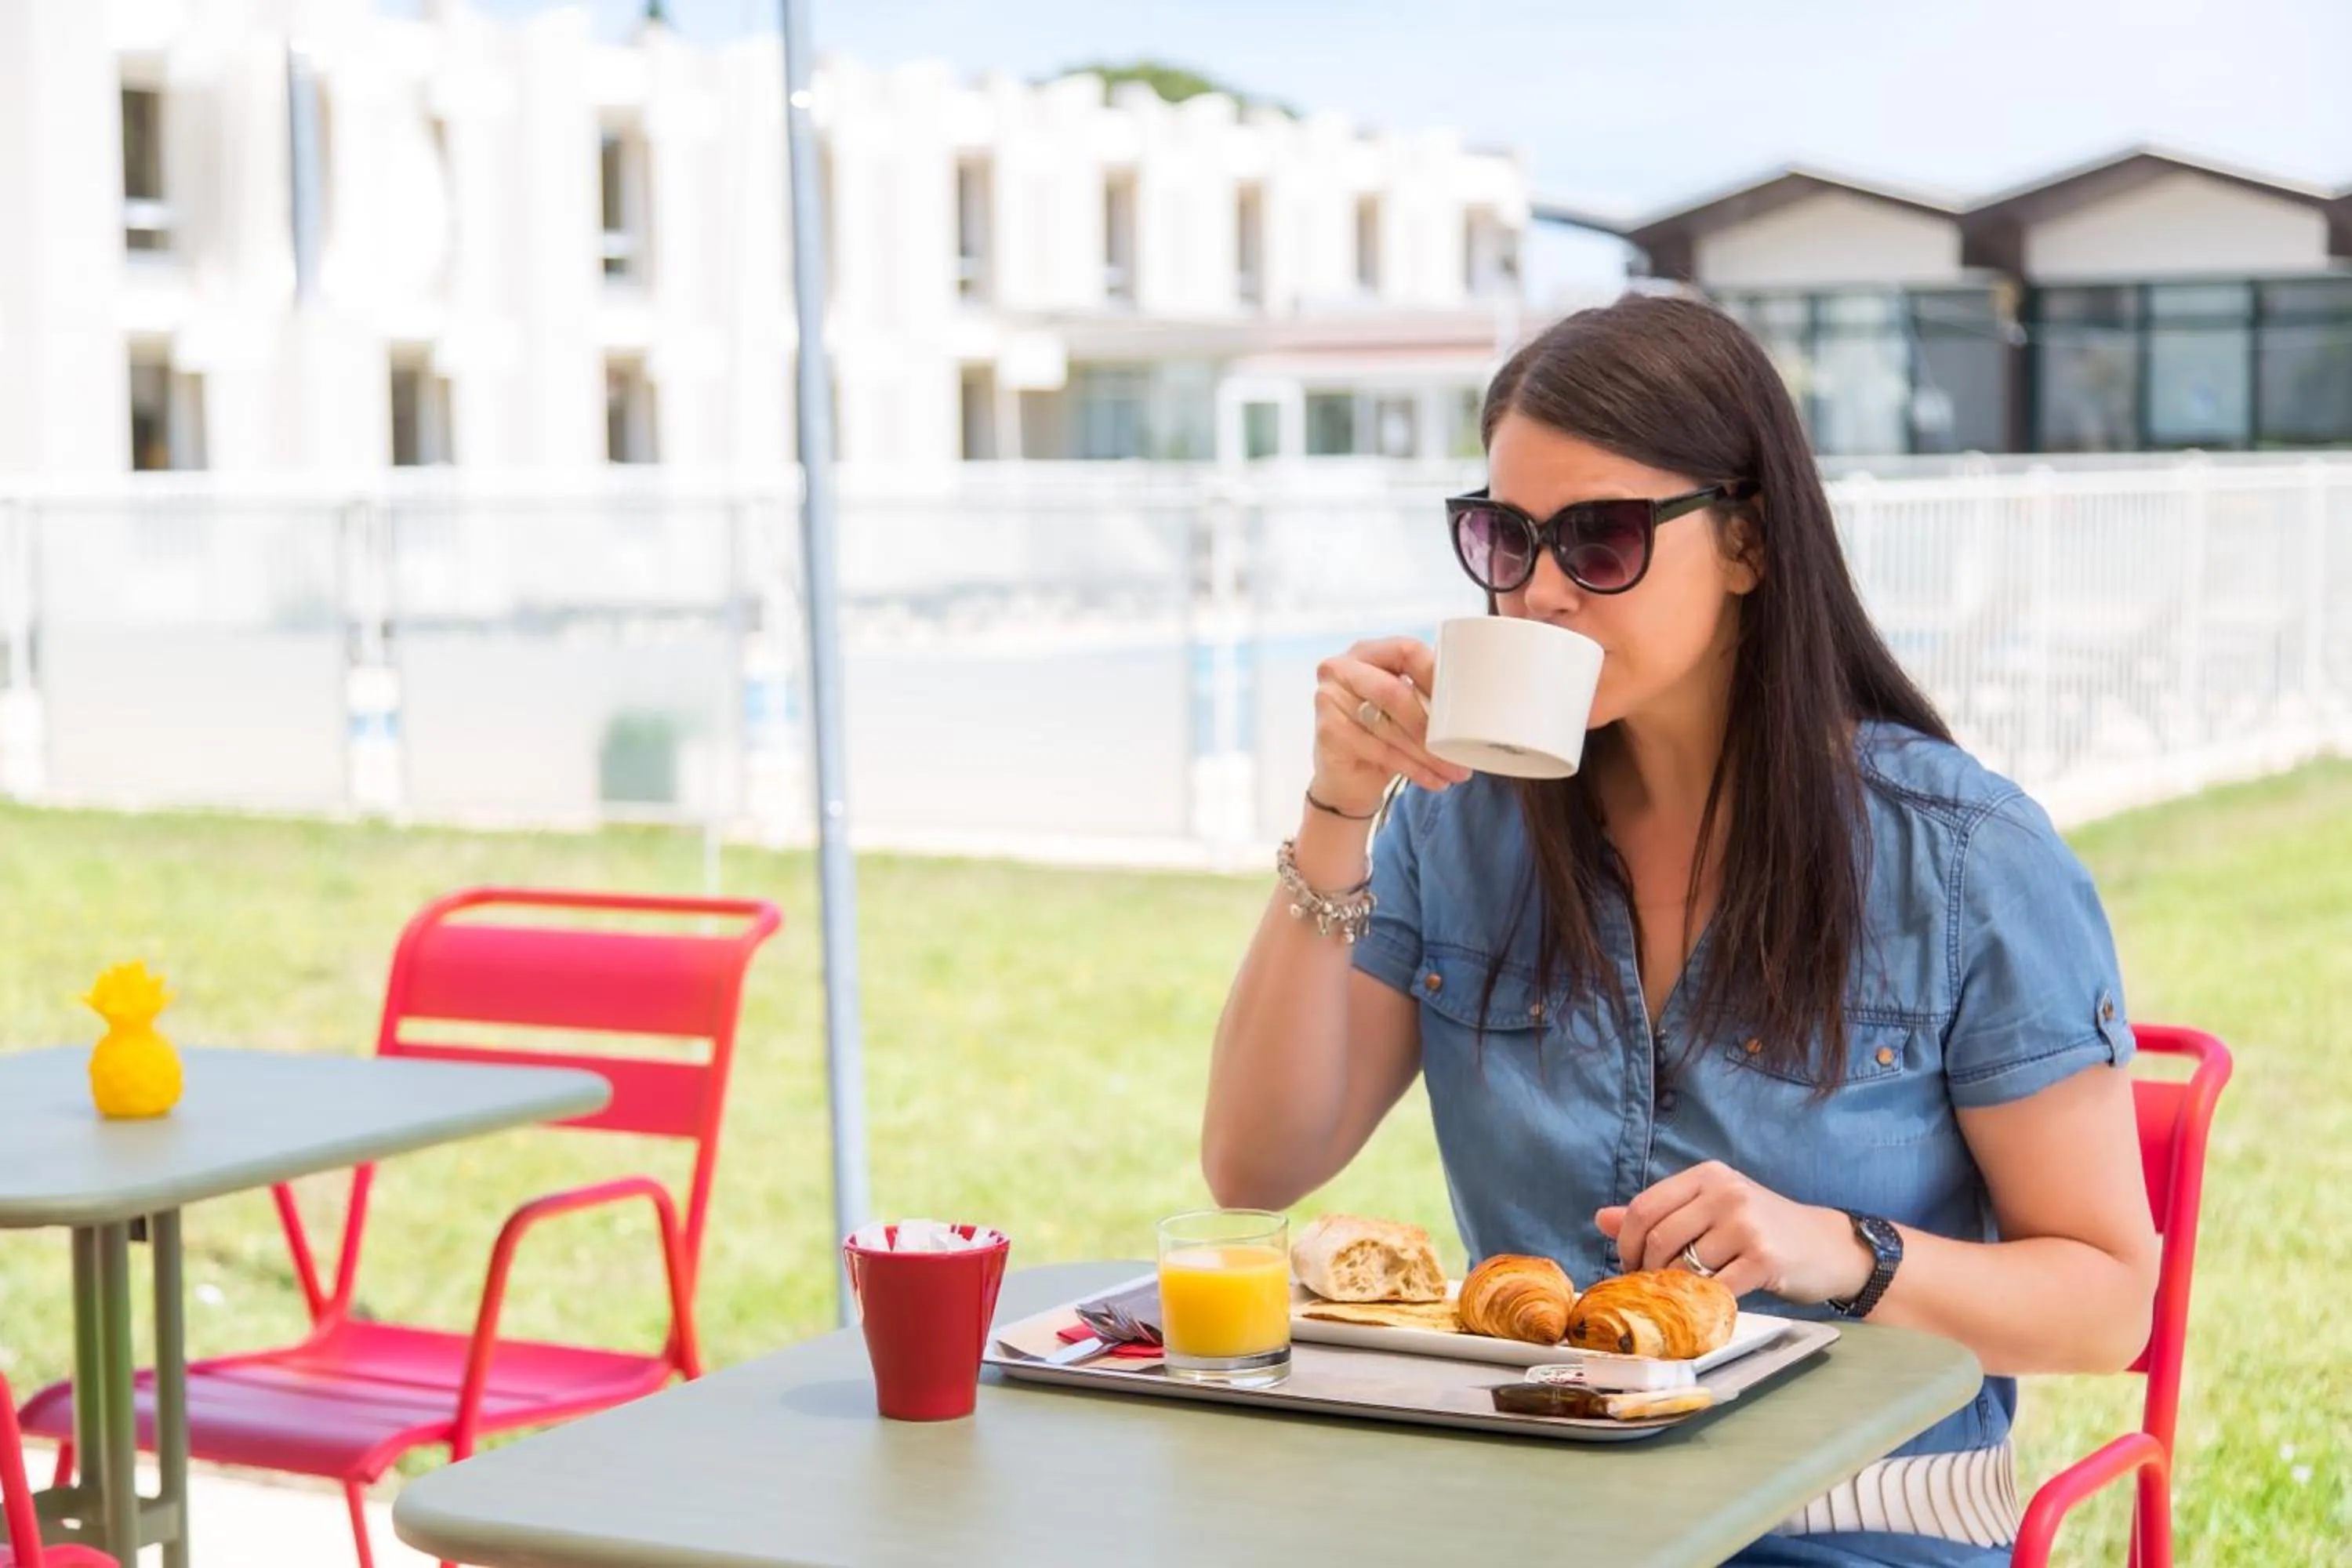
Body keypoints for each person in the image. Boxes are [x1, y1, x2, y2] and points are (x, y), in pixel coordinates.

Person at [1202, 292, 2158, 1566]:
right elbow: (1257, 1165)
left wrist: (1840, 1251)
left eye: (1598, 541)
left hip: (1853, 1528)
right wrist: (1338, 811)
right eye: (1504, 538)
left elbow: (2106, 1304)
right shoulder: (1458, 829)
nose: (1539, 593)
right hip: (1539, 1522)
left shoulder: (1965, 857)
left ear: (1748, 541)